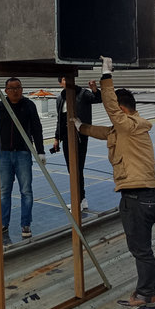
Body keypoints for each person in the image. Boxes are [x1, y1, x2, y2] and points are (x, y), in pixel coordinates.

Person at [76, 57, 155, 308]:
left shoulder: (128, 126)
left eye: (117, 110)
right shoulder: (130, 129)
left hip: (136, 199)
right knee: (144, 249)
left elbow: (111, 108)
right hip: (145, 198)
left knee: (140, 251)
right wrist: (81, 127)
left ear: (122, 108)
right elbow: (105, 132)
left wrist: (106, 75)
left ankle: (143, 295)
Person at [0, 77, 45, 238]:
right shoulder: (0, 107)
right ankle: (3, 223)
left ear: (22, 89)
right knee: (4, 190)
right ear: (6, 91)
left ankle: (26, 224)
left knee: (26, 190)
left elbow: (37, 128)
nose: (15, 91)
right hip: (4, 154)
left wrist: (40, 151)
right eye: (12, 88)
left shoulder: (29, 105)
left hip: (23, 153)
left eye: (18, 87)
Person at [52, 77, 101, 211]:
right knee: (71, 169)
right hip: (66, 137)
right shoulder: (60, 98)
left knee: (77, 168)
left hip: (80, 137)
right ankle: (81, 199)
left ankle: (78, 200)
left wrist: (94, 89)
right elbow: (59, 120)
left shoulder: (83, 93)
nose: (66, 81)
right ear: (60, 83)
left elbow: (98, 99)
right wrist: (56, 137)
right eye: (63, 79)